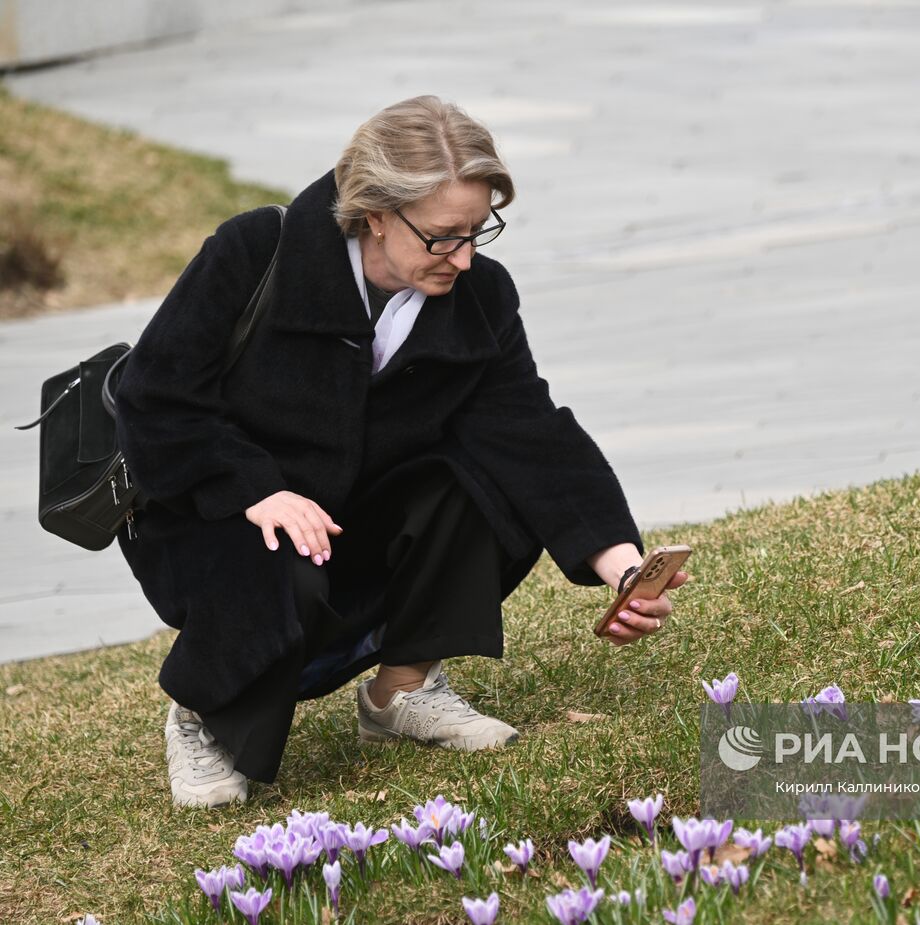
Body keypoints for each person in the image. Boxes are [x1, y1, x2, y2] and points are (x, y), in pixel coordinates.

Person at [113, 95, 687, 808]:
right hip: (211, 515)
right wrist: (257, 489)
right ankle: (202, 714)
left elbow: (532, 431)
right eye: (444, 236)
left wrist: (622, 564)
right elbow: (153, 397)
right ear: (376, 214)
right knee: (276, 558)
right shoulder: (253, 251)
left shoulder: (481, 295)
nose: (466, 256)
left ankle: (403, 690)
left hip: (347, 514)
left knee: (477, 482)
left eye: (480, 230)